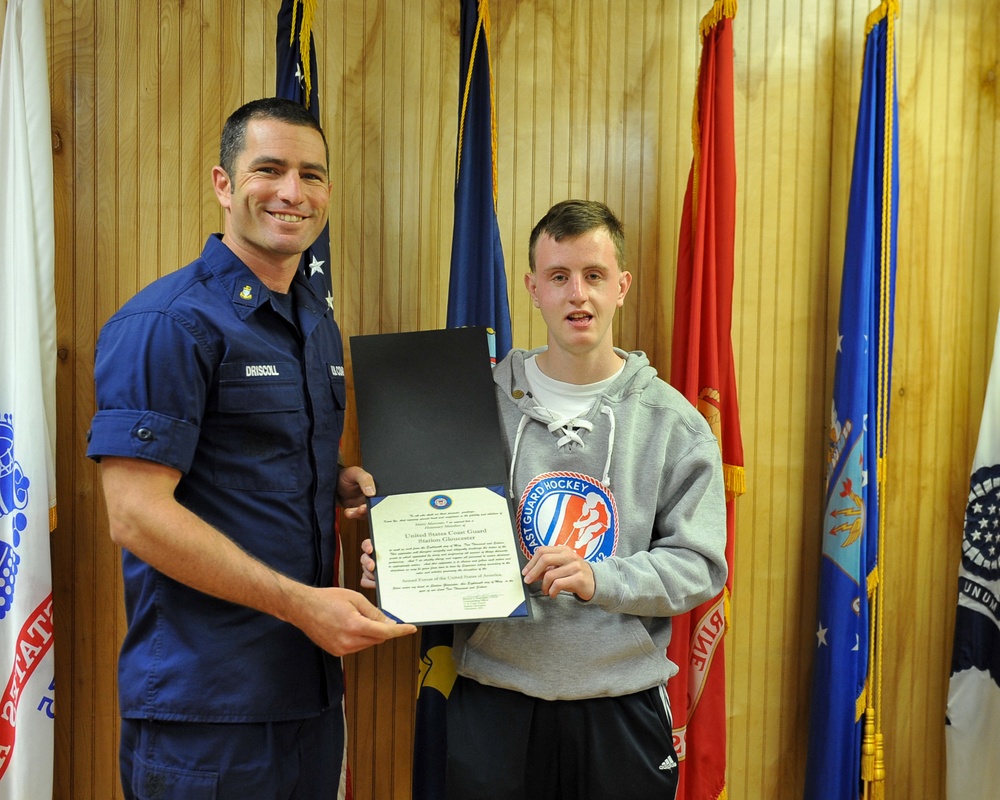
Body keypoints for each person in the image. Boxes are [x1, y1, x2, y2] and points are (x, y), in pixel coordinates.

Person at [87, 97, 416, 800]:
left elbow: (244, 463)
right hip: (207, 712)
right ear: (223, 184)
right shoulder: (167, 323)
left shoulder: (315, 324)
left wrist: (334, 481)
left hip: (306, 693)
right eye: (269, 169)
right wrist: (301, 604)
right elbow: (136, 515)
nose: (293, 193)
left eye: (312, 175)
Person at [362, 199, 728, 800]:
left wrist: (598, 575)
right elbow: (435, 531)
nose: (577, 295)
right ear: (533, 288)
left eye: (594, 275)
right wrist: (401, 565)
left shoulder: (673, 423)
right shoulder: (466, 403)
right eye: (559, 277)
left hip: (620, 699)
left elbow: (701, 565)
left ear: (622, 285)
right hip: (494, 697)